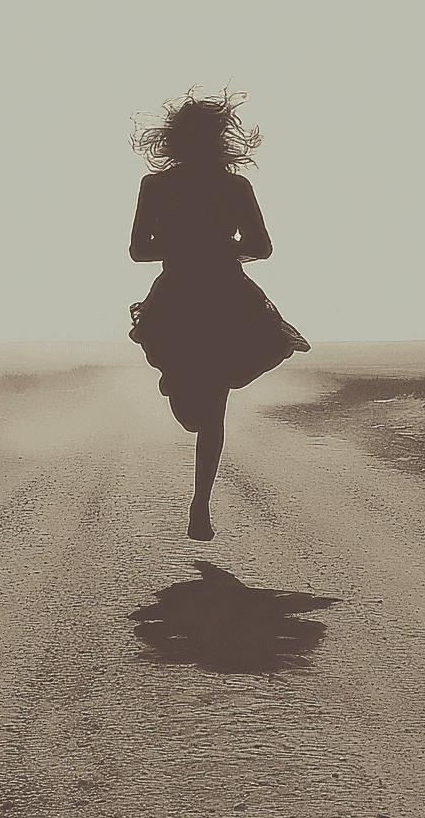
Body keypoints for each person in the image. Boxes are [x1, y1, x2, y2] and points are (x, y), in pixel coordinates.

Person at [128, 87, 310, 540]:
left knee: (210, 411)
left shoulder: (226, 187)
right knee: (198, 415)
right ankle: (179, 381)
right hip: (191, 296)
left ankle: (200, 504)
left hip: (218, 297)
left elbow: (262, 247)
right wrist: (206, 246)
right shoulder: (168, 186)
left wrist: (208, 248)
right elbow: (137, 250)